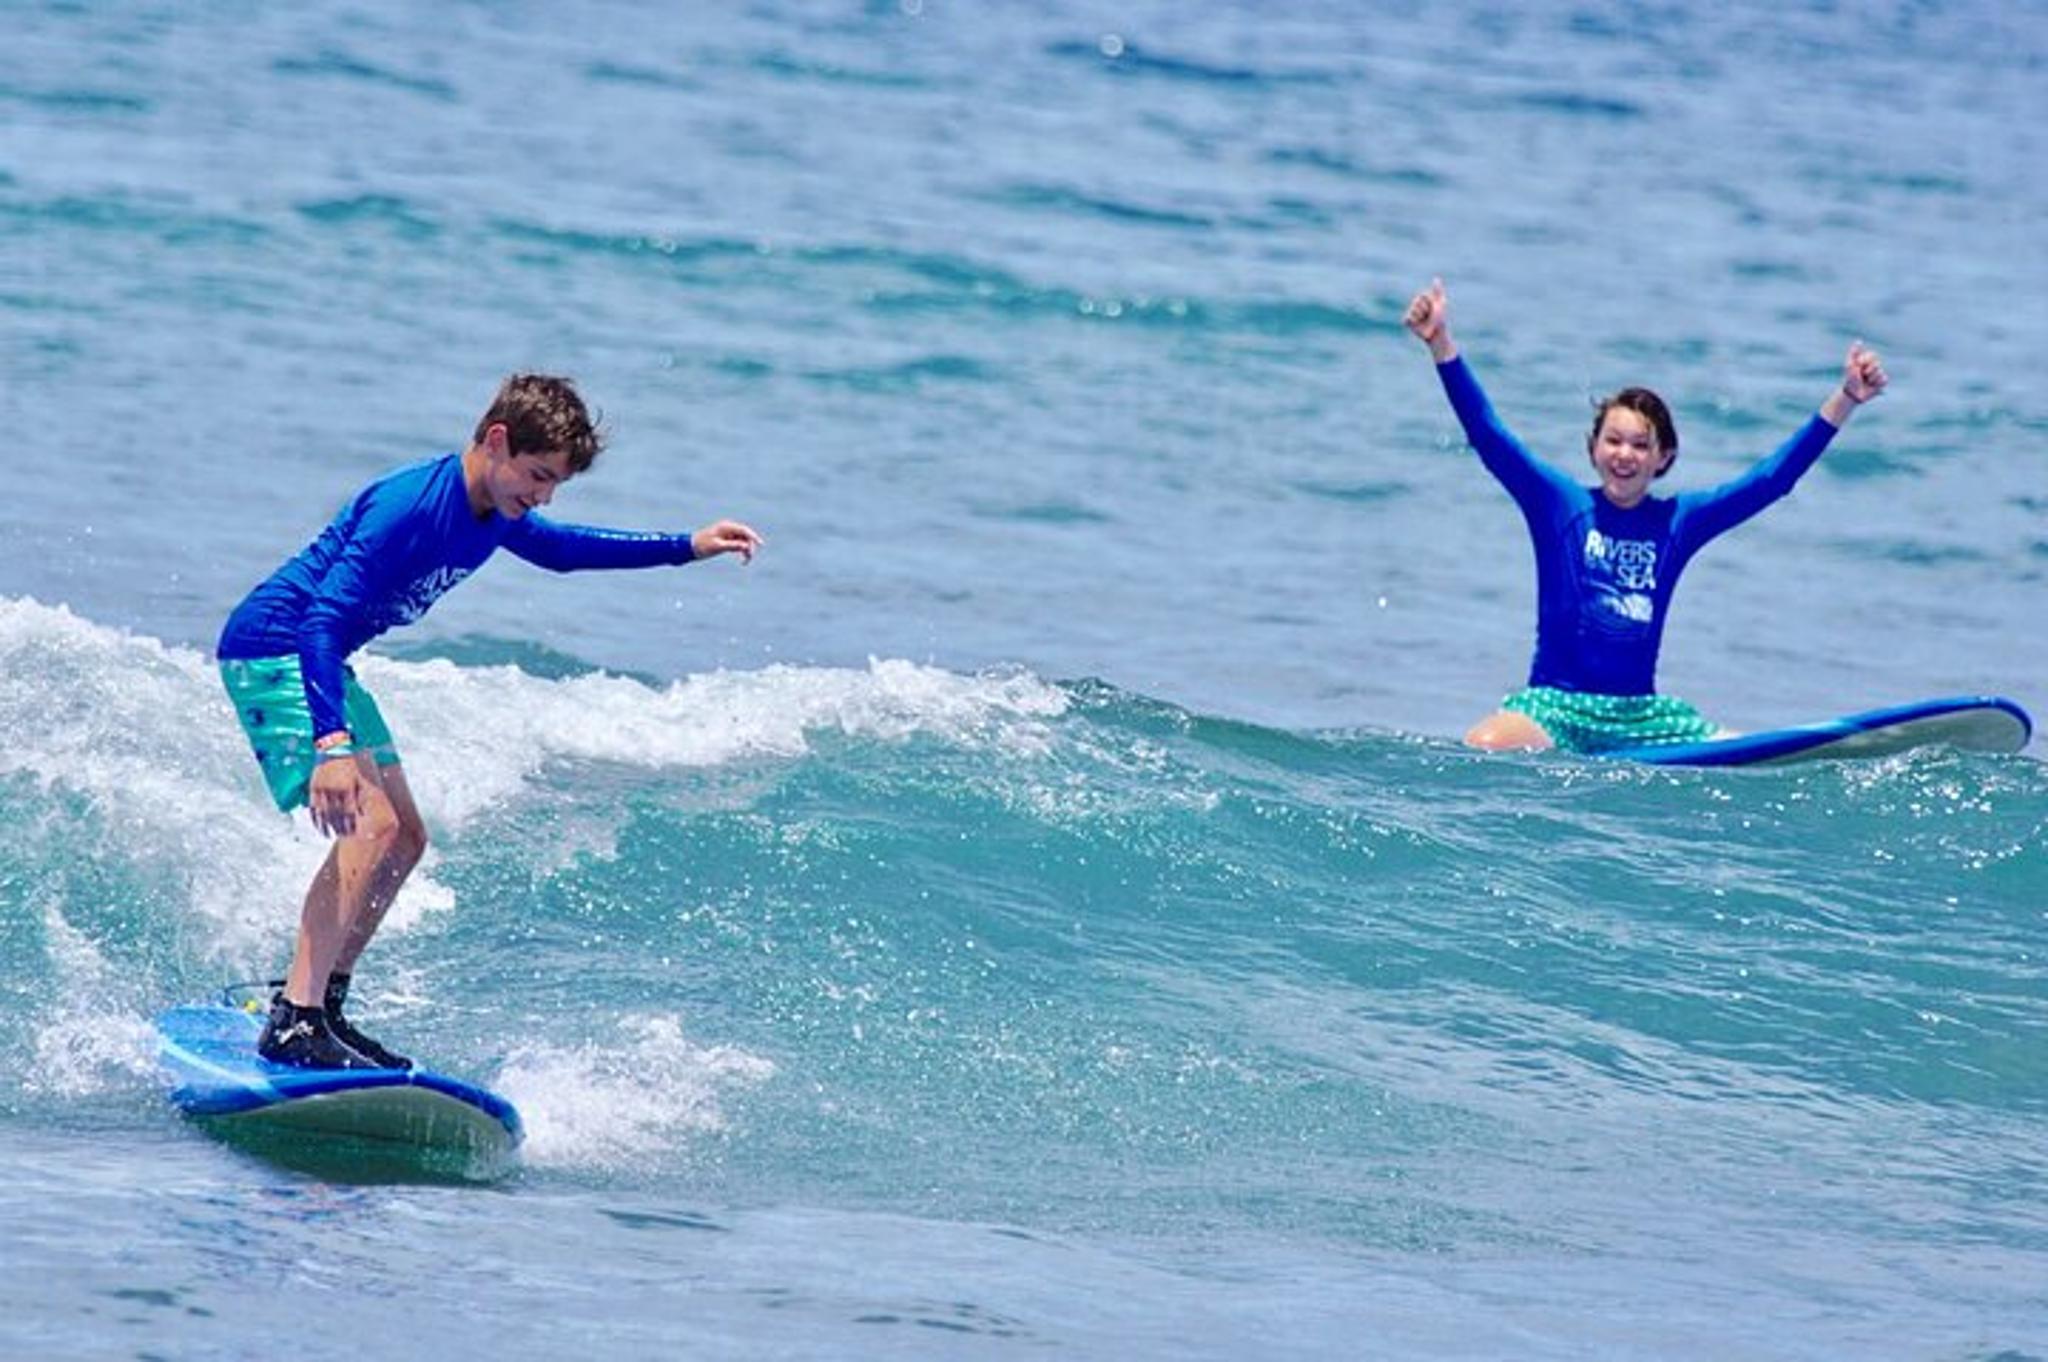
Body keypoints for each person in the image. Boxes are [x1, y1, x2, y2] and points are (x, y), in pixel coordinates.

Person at [217, 374, 763, 1068]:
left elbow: (563, 551)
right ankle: (294, 1019)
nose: (541, 496)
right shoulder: (410, 506)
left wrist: (686, 545)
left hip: (324, 661)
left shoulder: (493, 511)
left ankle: (321, 1005)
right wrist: (330, 746)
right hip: (279, 650)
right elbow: (321, 616)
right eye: (538, 476)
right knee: (370, 826)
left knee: (405, 837)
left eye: (554, 485)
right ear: (497, 441)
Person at [1401, 277, 1888, 753]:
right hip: (1554, 707)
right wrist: (1442, 345)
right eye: (1613, 440)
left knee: (1750, 750)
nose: (1625, 454)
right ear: (1593, 449)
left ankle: (1832, 750)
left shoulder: (1678, 522)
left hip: (1641, 716)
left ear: (1664, 458)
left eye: (1641, 444)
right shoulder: (1557, 503)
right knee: (1483, 744)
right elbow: (1489, 437)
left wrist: (1845, 400)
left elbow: (1770, 481)